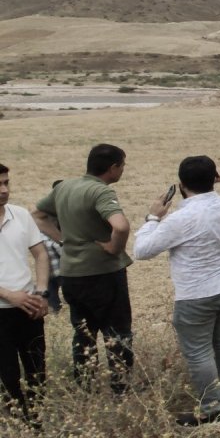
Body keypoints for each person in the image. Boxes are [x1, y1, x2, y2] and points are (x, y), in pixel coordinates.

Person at [133, 156, 220, 427]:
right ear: (216, 178)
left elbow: (141, 251)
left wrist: (153, 217)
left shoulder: (179, 218)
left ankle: (210, 407)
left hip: (196, 293)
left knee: (199, 351)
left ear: (180, 185)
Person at [31, 143, 135, 394]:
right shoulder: (100, 192)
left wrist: (62, 239)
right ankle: (120, 387)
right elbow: (120, 226)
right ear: (112, 168)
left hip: (71, 273)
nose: (122, 170)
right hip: (103, 273)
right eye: (122, 166)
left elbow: (37, 214)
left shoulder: (65, 186)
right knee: (117, 332)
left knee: (83, 332)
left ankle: (85, 385)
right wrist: (114, 248)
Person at [0, 162, 50, 424]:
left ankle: (37, 420)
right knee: (7, 375)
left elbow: (41, 253)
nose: (4, 190)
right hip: (2, 311)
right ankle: (17, 422)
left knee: (37, 370)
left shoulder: (20, 214)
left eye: (6, 183)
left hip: (29, 307)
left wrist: (41, 291)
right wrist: (8, 295)